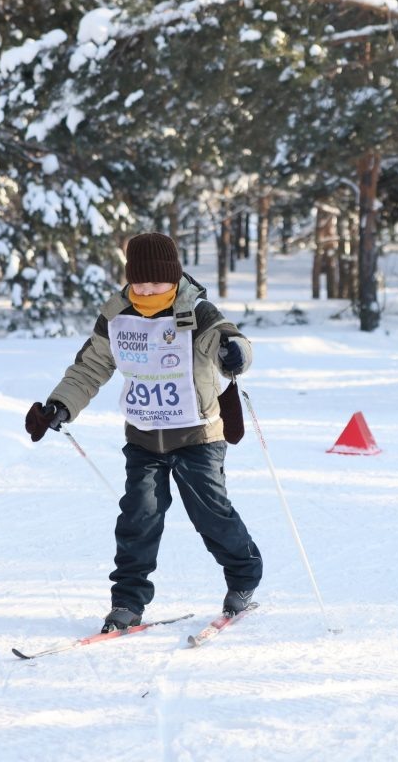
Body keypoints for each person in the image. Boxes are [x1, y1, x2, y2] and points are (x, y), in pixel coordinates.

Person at [24, 232, 262, 631]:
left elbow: (232, 340)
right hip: (144, 436)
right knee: (139, 518)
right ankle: (127, 603)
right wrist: (59, 405)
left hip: (198, 435)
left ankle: (244, 578)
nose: (148, 289)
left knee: (211, 515)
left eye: (157, 281)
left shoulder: (196, 312)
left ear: (175, 277)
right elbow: (90, 368)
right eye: (140, 281)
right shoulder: (117, 316)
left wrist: (234, 352)